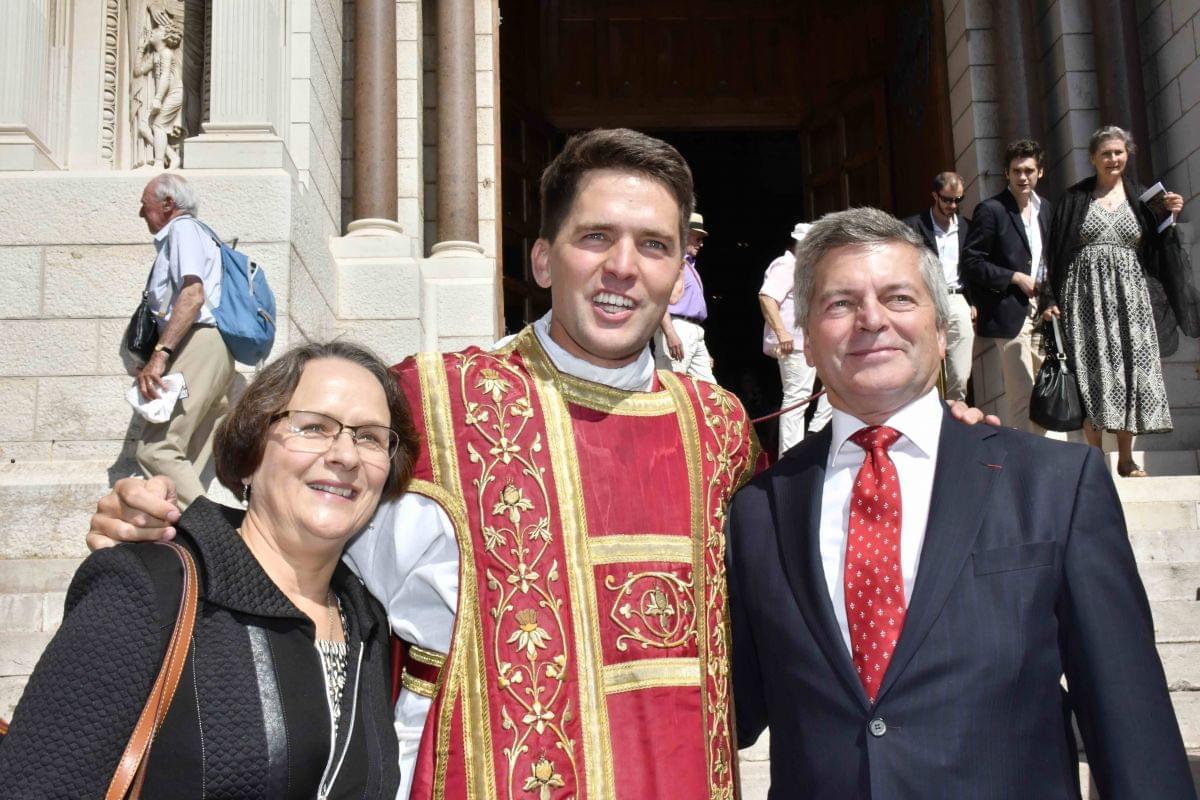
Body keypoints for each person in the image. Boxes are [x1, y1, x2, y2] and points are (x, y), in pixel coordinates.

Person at [85, 131, 993, 799]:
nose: (622, 269)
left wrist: (935, 436)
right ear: (543, 257)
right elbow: (291, 541)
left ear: (680, 270)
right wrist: (175, 536)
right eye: (595, 238)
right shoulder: (431, 401)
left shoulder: (718, 429)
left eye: (654, 246)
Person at [727, 207, 1195, 799]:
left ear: (942, 328)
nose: (871, 320)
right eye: (839, 304)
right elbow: (725, 712)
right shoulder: (758, 510)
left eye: (899, 298)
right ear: (808, 342)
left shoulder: (1055, 483)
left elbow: (1132, 725)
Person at [0, 341, 413, 797]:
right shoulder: (152, 588)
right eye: (314, 427)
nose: (346, 456)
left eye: (370, 437)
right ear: (252, 452)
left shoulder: (372, 627)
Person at [1042, 125, 1192, 477]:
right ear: (1092, 157)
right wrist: (1050, 296)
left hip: (1130, 299)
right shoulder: (1074, 199)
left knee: (1129, 372)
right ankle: (1095, 458)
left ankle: (1126, 457)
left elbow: (1159, 251)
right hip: (1084, 299)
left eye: (1119, 152)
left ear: (1128, 155)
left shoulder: (1144, 198)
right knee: (1090, 373)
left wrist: (1171, 217)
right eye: (1106, 153)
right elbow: (1054, 252)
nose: (1113, 159)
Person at [133, 173, 236, 509]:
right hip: (214, 349)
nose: (140, 212)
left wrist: (160, 354)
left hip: (199, 343)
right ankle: (193, 546)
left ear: (168, 204)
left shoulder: (183, 229)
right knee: (185, 460)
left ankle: (217, 537)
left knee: (156, 449)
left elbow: (192, 295)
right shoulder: (201, 235)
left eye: (144, 203)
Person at [962, 140, 1053, 432]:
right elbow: (972, 262)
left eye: (1029, 170)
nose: (1023, 177)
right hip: (1010, 311)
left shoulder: (1046, 209)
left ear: (1040, 172)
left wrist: (1051, 300)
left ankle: (1044, 456)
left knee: (1047, 391)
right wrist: (1014, 277)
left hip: (1044, 310)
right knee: (1022, 392)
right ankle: (1025, 466)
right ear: (1006, 173)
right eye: (1016, 171)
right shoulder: (991, 210)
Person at [759, 221, 832, 454]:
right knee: (796, 397)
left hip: (808, 342)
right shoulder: (786, 266)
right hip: (793, 343)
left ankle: (815, 432)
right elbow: (767, 297)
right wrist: (782, 333)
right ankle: (790, 455)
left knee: (833, 383)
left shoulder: (802, 269)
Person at [903, 171, 974, 402]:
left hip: (956, 298)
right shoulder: (913, 226)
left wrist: (973, 302)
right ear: (935, 195)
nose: (953, 205)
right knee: (926, 367)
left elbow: (974, 267)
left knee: (960, 373)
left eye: (958, 200)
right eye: (947, 199)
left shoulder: (967, 228)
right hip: (926, 300)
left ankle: (955, 415)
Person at [654, 211, 717, 381]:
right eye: (698, 239)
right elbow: (660, 300)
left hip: (693, 330)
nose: (701, 244)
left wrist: (700, 346)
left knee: (710, 390)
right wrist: (670, 333)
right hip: (677, 326)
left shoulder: (689, 266)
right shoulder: (671, 262)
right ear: (686, 236)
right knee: (672, 386)